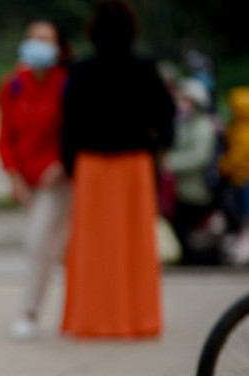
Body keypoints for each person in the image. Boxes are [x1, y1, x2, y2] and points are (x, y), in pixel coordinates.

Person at [60, 0, 175, 338]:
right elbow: (167, 116)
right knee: (135, 245)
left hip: (93, 167)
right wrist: (155, 150)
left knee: (93, 247)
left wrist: (72, 168)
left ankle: (94, 319)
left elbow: (68, 126)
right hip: (134, 166)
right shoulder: (145, 68)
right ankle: (137, 318)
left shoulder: (80, 71)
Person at [0, 20, 71, 341]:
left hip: (58, 180)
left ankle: (29, 313)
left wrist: (61, 164)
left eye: (45, 39)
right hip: (27, 183)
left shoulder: (67, 83)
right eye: (32, 38)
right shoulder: (13, 84)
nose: (37, 45)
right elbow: (5, 137)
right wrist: (14, 176)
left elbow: (73, 130)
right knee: (58, 248)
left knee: (39, 244)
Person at [166, 78, 219, 264]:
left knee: (182, 226)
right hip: (180, 189)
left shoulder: (204, 127)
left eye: (187, 99)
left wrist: (169, 162)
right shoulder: (184, 124)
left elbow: (199, 157)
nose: (183, 103)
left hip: (196, 190)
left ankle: (191, 261)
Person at [218, 87, 249, 264]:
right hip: (237, 179)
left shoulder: (244, 131)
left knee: (242, 218)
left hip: (241, 179)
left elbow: (237, 158)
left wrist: (223, 166)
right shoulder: (235, 128)